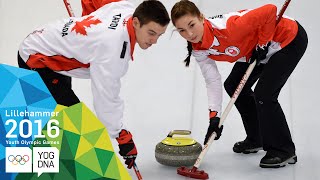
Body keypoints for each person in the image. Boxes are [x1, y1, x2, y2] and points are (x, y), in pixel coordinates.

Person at [18, 0, 170, 169]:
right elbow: (106, 99)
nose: (154, 40)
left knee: (63, 116)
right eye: (151, 33)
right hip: (37, 58)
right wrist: (121, 135)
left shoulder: (128, 9)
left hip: (51, 44)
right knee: (74, 123)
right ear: (136, 22)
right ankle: (40, 164)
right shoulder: (112, 49)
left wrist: (87, 26)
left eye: (159, 35)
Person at [171, 0, 308, 168]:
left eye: (192, 25)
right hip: (255, 49)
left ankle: (283, 150)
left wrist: (263, 42)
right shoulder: (198, 48)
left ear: (201, 17)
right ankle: (256, 138)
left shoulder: (230, 27)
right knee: (234, 85)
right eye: (182, 31)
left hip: (287, 39)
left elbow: (270, 11)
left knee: (264, 94)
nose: (190, 34)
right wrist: (214, 118)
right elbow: (212, 80)